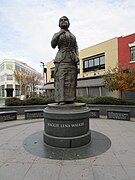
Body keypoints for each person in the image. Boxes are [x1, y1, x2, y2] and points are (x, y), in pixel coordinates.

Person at [51, 16, 79, 104]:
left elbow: (76, 47)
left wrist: (77, 56)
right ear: (59, 24)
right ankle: (61, 99)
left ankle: (70, 98)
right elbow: (53, 44)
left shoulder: (73, 36)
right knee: (61, 79)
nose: (64, 21)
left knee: (72, 80)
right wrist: (60, 33)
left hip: (71, 59)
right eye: (61, 20)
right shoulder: (57, 34)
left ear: (69, 23)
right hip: (61, 60)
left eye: (65, 20)